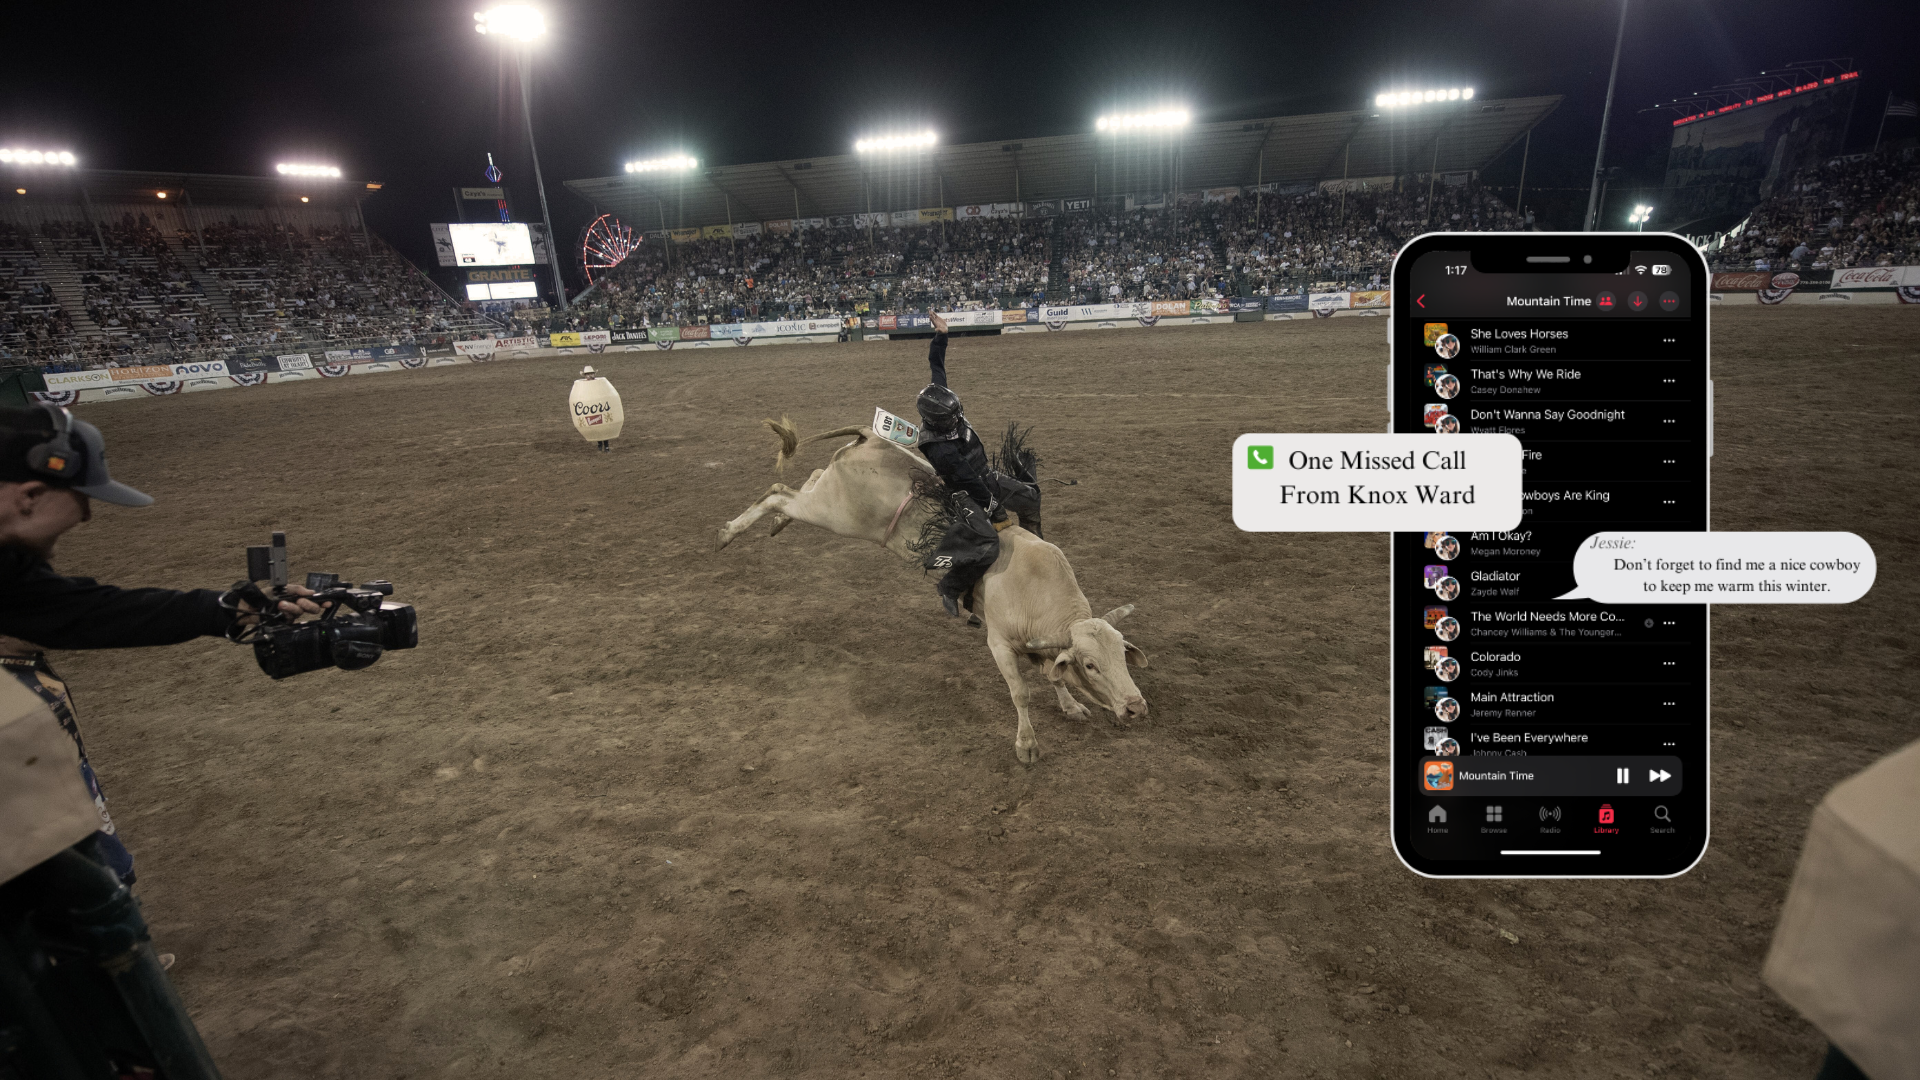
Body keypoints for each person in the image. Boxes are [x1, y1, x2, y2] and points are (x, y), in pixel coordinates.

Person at [0, 405, 318, 886]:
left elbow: (84, 611)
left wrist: (227, 609)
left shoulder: (9, 567)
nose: (87, 515)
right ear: (30, 495)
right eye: (82, 497)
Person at [914, 313, 1040, 617]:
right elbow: (969, 481)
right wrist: (995, 507)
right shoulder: (939, 449)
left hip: (985, 476)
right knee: (987, 543)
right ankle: (951, 586)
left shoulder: (941, 403)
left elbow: (937, 367)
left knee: (1032, 498)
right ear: (939, 422)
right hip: (967, 493)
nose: (959, 418)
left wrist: (941, 335)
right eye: (953, 417)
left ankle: (1037, 549)